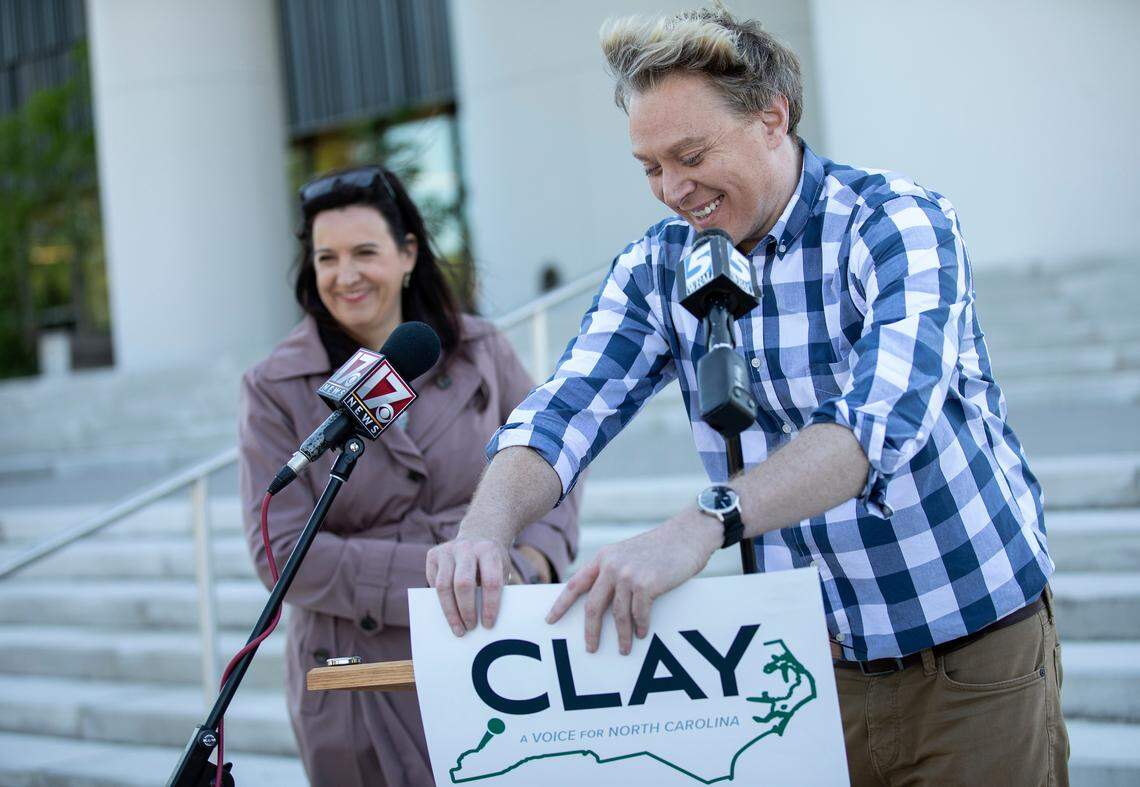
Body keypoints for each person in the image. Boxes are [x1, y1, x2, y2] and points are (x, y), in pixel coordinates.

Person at [426, 6, 1068, 785]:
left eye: (690, 154)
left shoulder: (897, 223)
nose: (671, 189)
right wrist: (485, 530)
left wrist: (702, 524)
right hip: (798, 676)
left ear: (773, 116)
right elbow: (564, 409)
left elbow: (876, 427)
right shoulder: (655, 267)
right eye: (650, 166)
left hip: (970, 663)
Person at [238, 164, 580, 786]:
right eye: (327, 257)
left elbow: (554, 461)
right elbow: (281, 551)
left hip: (492, 646)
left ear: (407, 255)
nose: (345, 276)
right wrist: (451, 570)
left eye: (365, 252)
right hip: (354, 675)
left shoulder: (479, 347)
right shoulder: (274, 386)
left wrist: (533, 564)